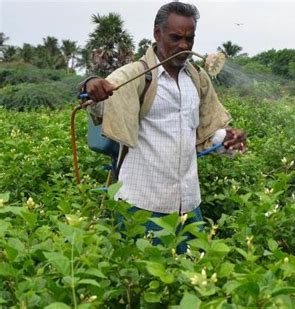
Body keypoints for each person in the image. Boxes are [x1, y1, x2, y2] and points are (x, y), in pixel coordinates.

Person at [81, 2, 246, 252]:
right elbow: (100, 103)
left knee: (196, 277)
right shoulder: (136, 75)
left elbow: (205, 132)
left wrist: (226, 139)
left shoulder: (197, 79)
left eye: (189, 39)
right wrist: (90, 85)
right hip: (142, 204)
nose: (184, 46)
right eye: (176, 38)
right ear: (157, 34)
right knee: (145, 281)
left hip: (188, 204)